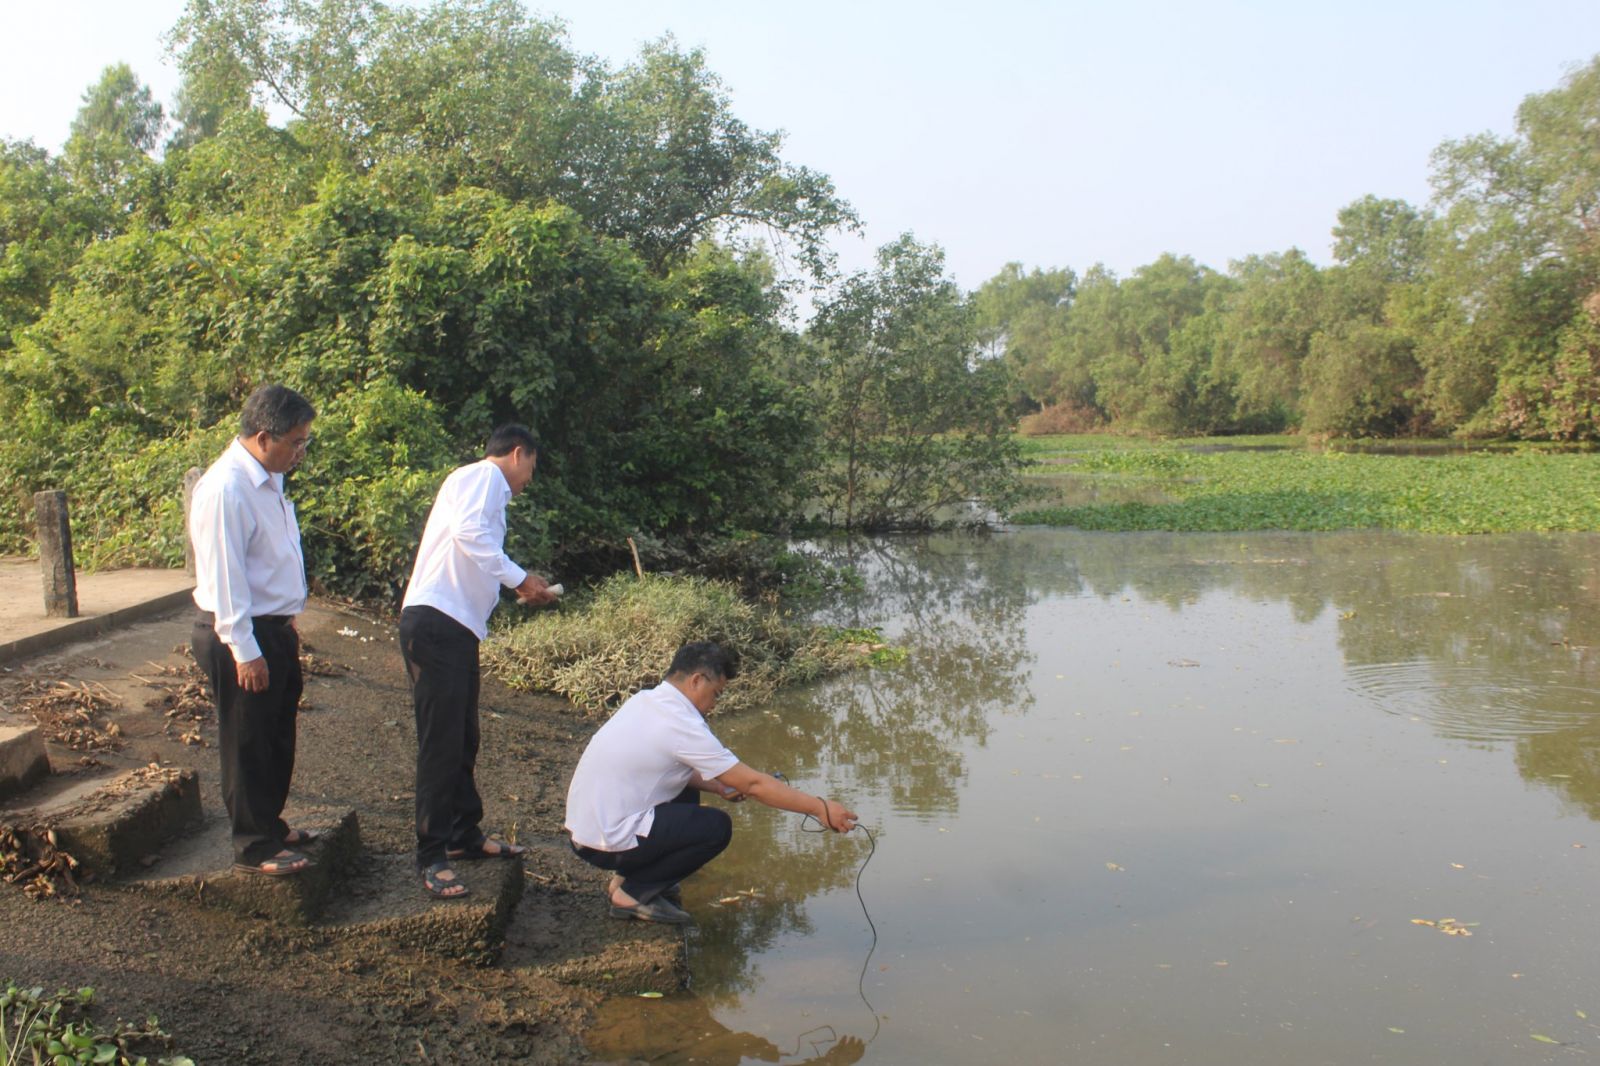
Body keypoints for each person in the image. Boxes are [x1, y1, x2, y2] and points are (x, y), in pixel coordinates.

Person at [565, 641, 859, 924]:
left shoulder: (647, 700)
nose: (715, 705)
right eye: (716, 694)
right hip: (604, 842)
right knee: (715, 828)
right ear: (696, 680)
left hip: (586, 830)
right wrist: (820, 808)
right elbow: (754, 784)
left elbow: (664, 767)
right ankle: (631, 894)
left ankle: (631, 876)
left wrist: (718, 786)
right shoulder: (681, 723)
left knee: (687, 791)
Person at [400, 424, 558, 898]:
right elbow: (469, 534)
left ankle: (462, 834)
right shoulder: (483, 477)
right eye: (531, 467)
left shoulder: (486, 493)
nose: (529, 479)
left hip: (457, 628)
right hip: (435, 624)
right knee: (440, 743)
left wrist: (518, 588)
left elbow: (473, 553)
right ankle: (430, 855)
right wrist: (519, 579)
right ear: (516, 454)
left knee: (464, 737)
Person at [190, 384, 318, 876]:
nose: (300, 453)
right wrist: (245, 649)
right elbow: (226, 578)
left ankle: (270, 822)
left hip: (272, 627)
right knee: (247, 738)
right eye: (296, 443)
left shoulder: (268, 477)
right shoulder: (227, 488)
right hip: (239, 632)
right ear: (264, 437)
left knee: (276, 731)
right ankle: (252, 844)